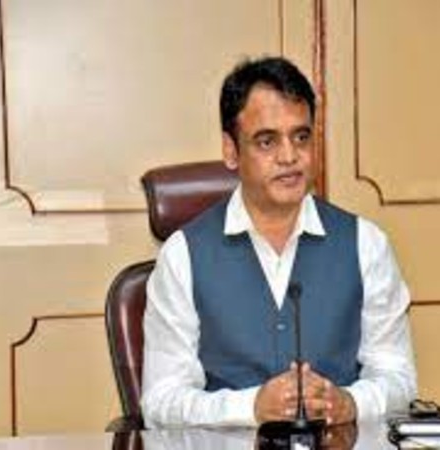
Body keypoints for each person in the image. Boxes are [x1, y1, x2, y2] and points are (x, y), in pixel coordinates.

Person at [141, 56, 417, 428]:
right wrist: (250, 407)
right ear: (231, 150)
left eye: (301, 137)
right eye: (267, 141)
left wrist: (349, 403)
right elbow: (160, 401)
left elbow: (399, 378)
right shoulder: (182, 256)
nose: (289, 157)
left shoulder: (366, 244)